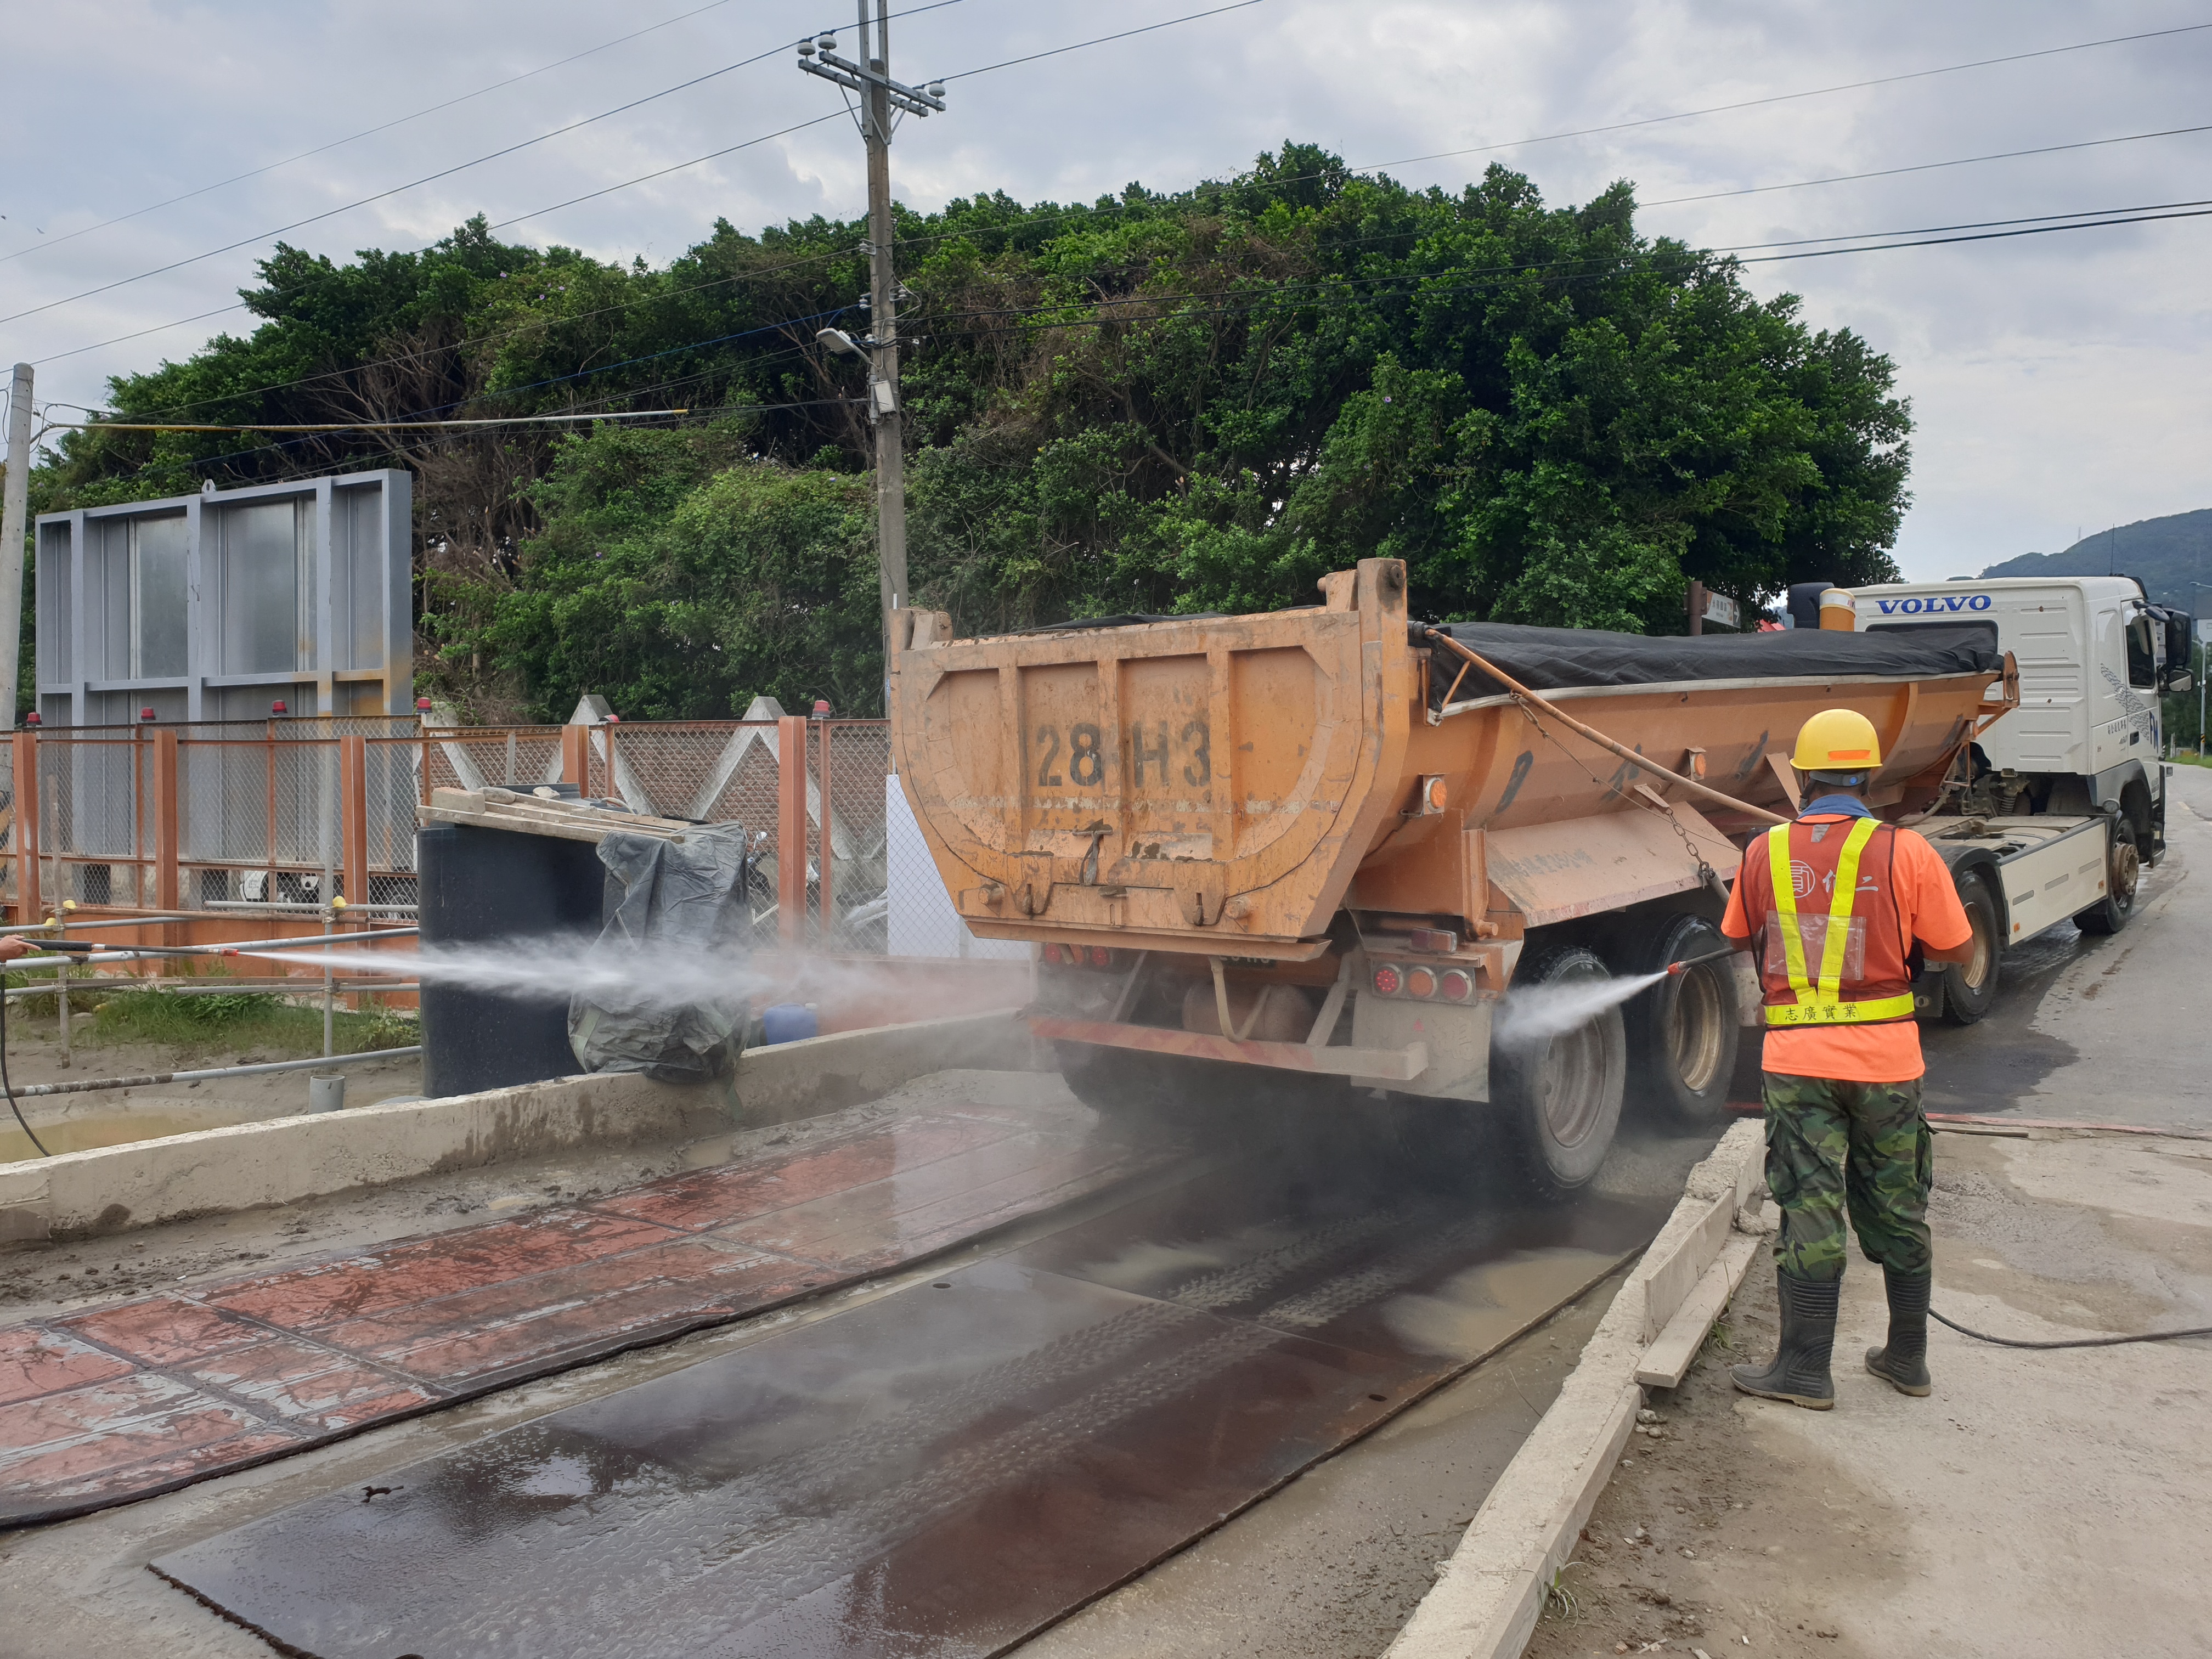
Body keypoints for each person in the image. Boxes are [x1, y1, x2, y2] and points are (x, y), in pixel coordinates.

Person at [1720, 708, 1977, 1409]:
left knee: (1810, 1203)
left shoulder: (1763, 851)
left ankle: (1804, 1372)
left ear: (1801, 777)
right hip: (1888, 1062)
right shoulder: (1908, 852)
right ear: (1867, 776)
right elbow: (1956, 947)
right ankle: (1906, 1358)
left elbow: (1737, 930)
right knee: (1898, 1202)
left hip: (1798, 1061)